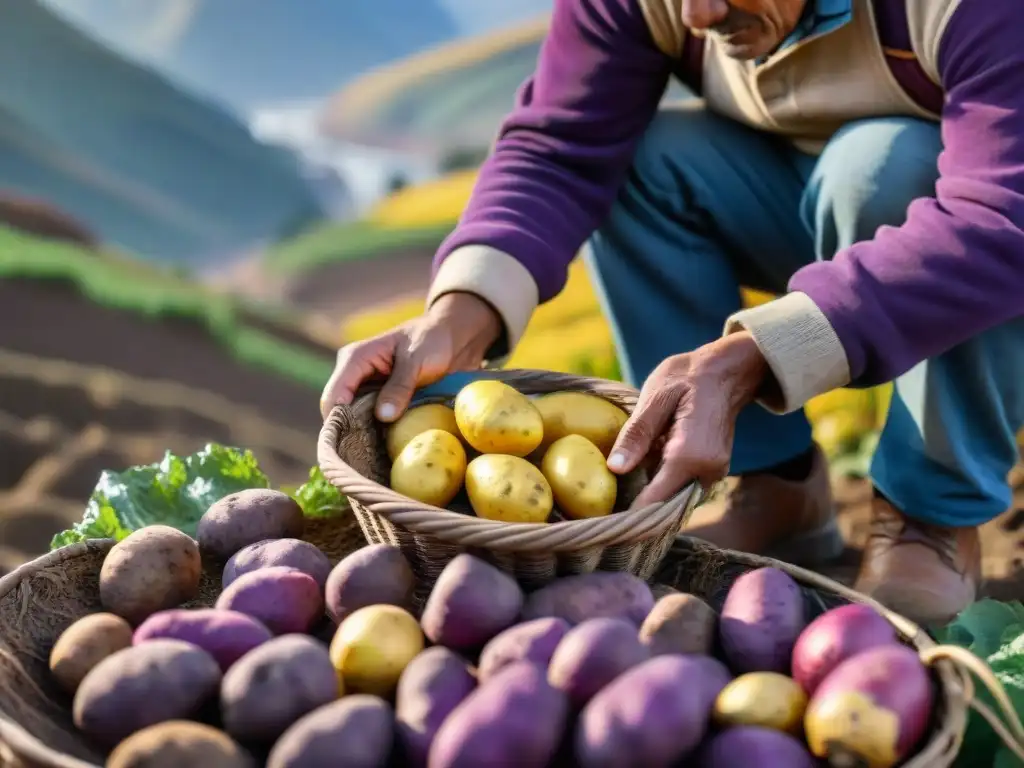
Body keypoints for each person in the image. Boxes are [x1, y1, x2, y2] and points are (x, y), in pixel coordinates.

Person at [322, 0, 1024, 626]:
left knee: (882, 167)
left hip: (968, 217)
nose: (696, 15)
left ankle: (930, 514)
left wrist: (757, 356)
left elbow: (1001, 218)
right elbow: (562, 149)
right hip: (804, 195)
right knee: (638, 163)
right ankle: (775, 485)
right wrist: (461, 308)